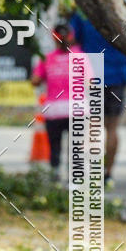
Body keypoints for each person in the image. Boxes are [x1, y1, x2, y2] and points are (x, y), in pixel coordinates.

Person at [69, 11, 126, 183]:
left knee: (92, 125)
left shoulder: (82, 13)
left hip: (91, 72)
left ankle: (92, 172)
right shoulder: (120, 12)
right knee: (112, 127)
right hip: (118, 73)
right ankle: (108, 173)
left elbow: (72, 39)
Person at [31, 22, 82, 179]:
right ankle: (74, 178)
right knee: (76, 147)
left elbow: (35, 80)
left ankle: (55, 175)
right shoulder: (79, 57)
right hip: (77, 109)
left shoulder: (47, 59)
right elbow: (90, 81)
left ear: (54, 39)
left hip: (53, 110)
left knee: (55, 145)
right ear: (71, 37)